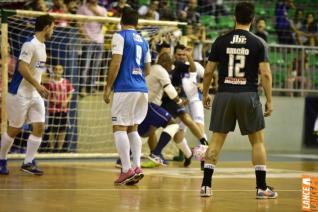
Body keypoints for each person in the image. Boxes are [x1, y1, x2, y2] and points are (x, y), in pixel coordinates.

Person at [200, 2, 278, 199]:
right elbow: (266, 74)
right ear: (252, 19)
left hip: (224, 94)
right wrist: (269, 100)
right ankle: (261, 188)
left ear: (234, 17)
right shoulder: (258, 42)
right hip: (248, 95)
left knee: (216, 140)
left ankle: (206, 186)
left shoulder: (221, 40)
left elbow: (208, 71)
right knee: (257, 141)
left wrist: (205, 94)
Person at [0, 14, 55, 175]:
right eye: (53, 27)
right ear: (46, 27)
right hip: (19, 93)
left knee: (39, 126)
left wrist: (40, 87)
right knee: (15, 128)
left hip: (35, 93)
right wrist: (38, 86)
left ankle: (28, 162)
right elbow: (22, 68)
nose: (53, 30)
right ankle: (2, 159)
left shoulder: (43, 46)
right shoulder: (29, 44)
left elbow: (35, 71)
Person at [103, 7, 151, 185]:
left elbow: (115, 63)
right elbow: (148, 69)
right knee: (133, 128)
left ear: (121, 20)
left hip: (125, 88)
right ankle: (137, 166)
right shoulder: (144, 41)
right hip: (141, 88)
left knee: (119, 127)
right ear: (137, 23)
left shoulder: (120, 36)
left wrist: (108, 86)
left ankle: (126, 170)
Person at [77, 0, 107, 97]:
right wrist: (85, 37)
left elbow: (105, 22)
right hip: (88, 41)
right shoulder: (82, 8)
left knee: (95, 66)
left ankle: (91, 87)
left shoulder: (102, 10)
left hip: (99, 41)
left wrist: (95, 11)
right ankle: (81, 88)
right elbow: (79, 24)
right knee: (85, 66)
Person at [44, 65, 74, 152]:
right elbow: (45, 93)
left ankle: (60, 149)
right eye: (56, 69)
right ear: (53, 71)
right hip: (53, 109)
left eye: (60, 69)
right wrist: (51, 99)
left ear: (62, 71)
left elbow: (70, 92)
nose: (58, 71)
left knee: (62, 130)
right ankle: (52, 148)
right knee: (52, 129)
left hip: (63, 109)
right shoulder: (49, 83)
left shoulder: (66, 82)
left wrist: (66, 101)